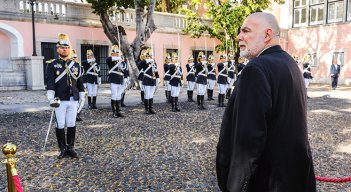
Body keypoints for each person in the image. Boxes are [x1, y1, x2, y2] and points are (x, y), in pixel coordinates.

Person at [216, 12, 316, 192]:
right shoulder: (290, 63)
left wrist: (235, 186)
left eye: (246, 31)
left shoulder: (256, 69)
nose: (239, 36)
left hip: (268, 181)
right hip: (294, 177)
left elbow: (247, 142)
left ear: (267, 34)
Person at [46, 33, 85, 159]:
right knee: (60, 124)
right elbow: (50, 83)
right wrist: (51, 98)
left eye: (67, 47)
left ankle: (70, 148)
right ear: (58, 49)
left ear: (69, 49)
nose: (64, 49)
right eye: (62, 47)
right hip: (59, 100)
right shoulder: (52, 64)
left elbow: (79, 83)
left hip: (73, 99)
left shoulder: (76, 65)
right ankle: (62, 148)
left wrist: (82, 96)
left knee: (71, 123)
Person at [137, 48, 160, 114]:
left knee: (151, 95)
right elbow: (139, 65)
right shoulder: (144, 62)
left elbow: (156, 71)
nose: (151, 57)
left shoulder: (154, 63)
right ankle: (146, 109)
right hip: (146, 80)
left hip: (152, 80)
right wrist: (147, 60)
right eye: (150, 55)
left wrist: (158, 78)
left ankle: (151, 108)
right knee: (147, 95)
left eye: (151, 55)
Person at [106, 45, 126, 118]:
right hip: (113, 79)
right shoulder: (110, 60)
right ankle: (114, 111)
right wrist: (118, 58)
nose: (117, 53)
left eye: (118, 52)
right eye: (115, 52)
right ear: (112, 53)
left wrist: (126, 78)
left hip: (120, 79)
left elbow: (124, 70)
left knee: (118, 96)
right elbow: (108, 59)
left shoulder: (121, 61)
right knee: (114, 95)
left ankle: (119, 111)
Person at [71, 49, 84, 122]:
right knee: (74, 102)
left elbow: (81, 78)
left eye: (75, 58)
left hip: (79, 86)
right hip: (72, 87)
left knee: (80, 101)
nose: (74, 59)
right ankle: (74, 115)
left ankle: (78, 114)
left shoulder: (80, 67)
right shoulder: (68, 67)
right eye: (73, 58)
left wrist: (82, 88)